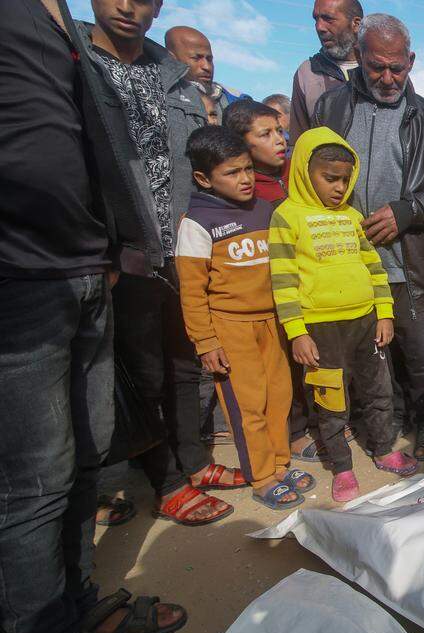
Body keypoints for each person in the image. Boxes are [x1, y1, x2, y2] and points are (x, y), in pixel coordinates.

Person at [0, 0, 185, 633]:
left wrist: (108, 247)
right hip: (20, 278)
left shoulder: (56, 22)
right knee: (33, 481)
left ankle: (76, 606)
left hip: (84, 270)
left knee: (84, 455)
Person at [81, 0, 244, 526]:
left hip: (178, 247)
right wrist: (95, 244)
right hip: (115, 252)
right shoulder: (73, 61)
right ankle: (166, 481)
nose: (128, 7)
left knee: (181, 364)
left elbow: (195, 164)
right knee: (140, 373)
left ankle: (193, 462)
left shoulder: (173, 79)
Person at [311, 13, 424, 461]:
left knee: (422, 352)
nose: (386, 77)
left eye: (396, 68)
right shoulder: (331, 108)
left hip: (408, 261)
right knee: (366, 354)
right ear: (359, 57)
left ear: (412, 61)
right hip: (345, 262)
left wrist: (409, 210)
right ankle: (378, 426)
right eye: (376, 65)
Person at [269, 127, 412, 502]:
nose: (338, 187)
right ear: (303, 171)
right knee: (331, 401)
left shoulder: (352, 215)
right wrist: (297, 332)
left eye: (345, 179)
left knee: (378, 388)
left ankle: (383, 449)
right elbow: (282, 281)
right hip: (320, 328)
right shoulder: (287, 217)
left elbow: (374, 267)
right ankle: (342, 465)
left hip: (366, 322)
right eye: (329, 178)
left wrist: (384, 313)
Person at [175, 126, 313, 510]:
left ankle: (281, 464)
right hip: (230, 328)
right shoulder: (197, 224)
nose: (245, 179)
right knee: (247, 405)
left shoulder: (265, 210)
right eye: (232, 173)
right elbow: (191, 292)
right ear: (204, 178)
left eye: (248, 169)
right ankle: (262, 476)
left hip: (272, 322)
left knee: (280, 397)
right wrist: (206, 342)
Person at [290, 0, 363, 141]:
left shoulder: (385, 69)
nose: (319, 27)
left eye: (328, 18)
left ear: (356, 24)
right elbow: (298, 143)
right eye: (315, 19)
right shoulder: (307, 73)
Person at [223, 100, 290, 205]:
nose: (280, 140)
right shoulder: (243, 189)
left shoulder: (298, 170)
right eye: (265, 134)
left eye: (279, 131)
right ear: (240, 142)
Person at [165, 25, 245, 113]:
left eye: (209, 59)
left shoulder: (236, 100)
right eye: (196, 58)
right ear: (172, 59)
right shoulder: (158, 96)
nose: (207, 67)